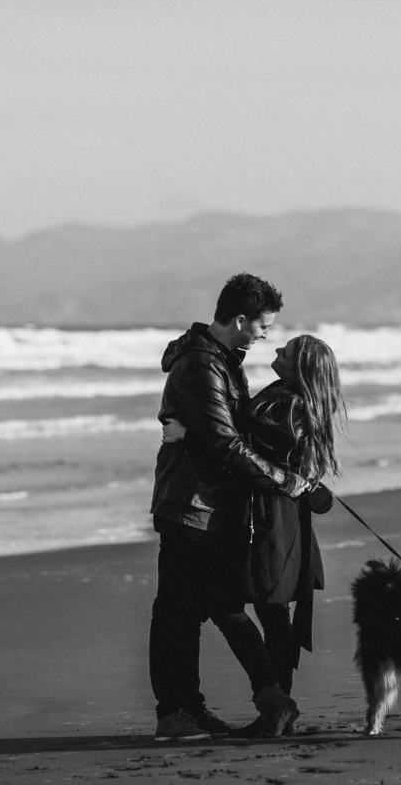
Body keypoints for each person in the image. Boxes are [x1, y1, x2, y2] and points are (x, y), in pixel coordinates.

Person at [148, 273, 312, 742]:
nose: (265, 334)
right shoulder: (203, 364)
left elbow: (227, 431)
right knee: (178, 613)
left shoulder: (222, 360)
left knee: (209, 607)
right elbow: (225, 442)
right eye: (262, 325)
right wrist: (285, 480)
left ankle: (206, 707)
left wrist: (186, 431)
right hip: (189, 503)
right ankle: (177, 714)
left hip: (213, 504)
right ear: (240, 320)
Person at [240, 335, 345, 728]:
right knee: (274, 613)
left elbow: (239, 446)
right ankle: (278, 705)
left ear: (300, 367)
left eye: (285, 352)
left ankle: (277, 705)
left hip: (271, 519)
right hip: (285, 519)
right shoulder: (300, 404)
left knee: (270, 612)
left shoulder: (286, 408)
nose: (276, 352)